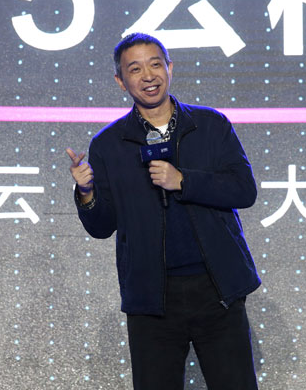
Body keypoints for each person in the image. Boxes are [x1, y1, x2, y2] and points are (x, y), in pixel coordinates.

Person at [66, 32, 261, 390]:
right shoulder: (108, 144)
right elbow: (102, 226)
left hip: (217, 288)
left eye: (155, 64)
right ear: (120, 81)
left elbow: (243, 190)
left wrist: (184, 181)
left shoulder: (210, 125)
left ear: (170, 68)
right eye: (135, 69)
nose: (148, 76)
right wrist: (87, 191)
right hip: (151, 296)